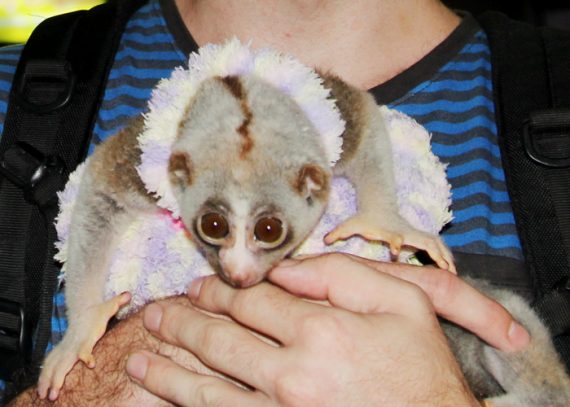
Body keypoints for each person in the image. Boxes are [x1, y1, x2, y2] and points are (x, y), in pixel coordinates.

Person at [0, 0, 543, 405]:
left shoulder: (549, 94)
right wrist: (110, 375)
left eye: (263, 234)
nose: (237, 273)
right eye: (212, 224)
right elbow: (100, 193)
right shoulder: (17, 99)